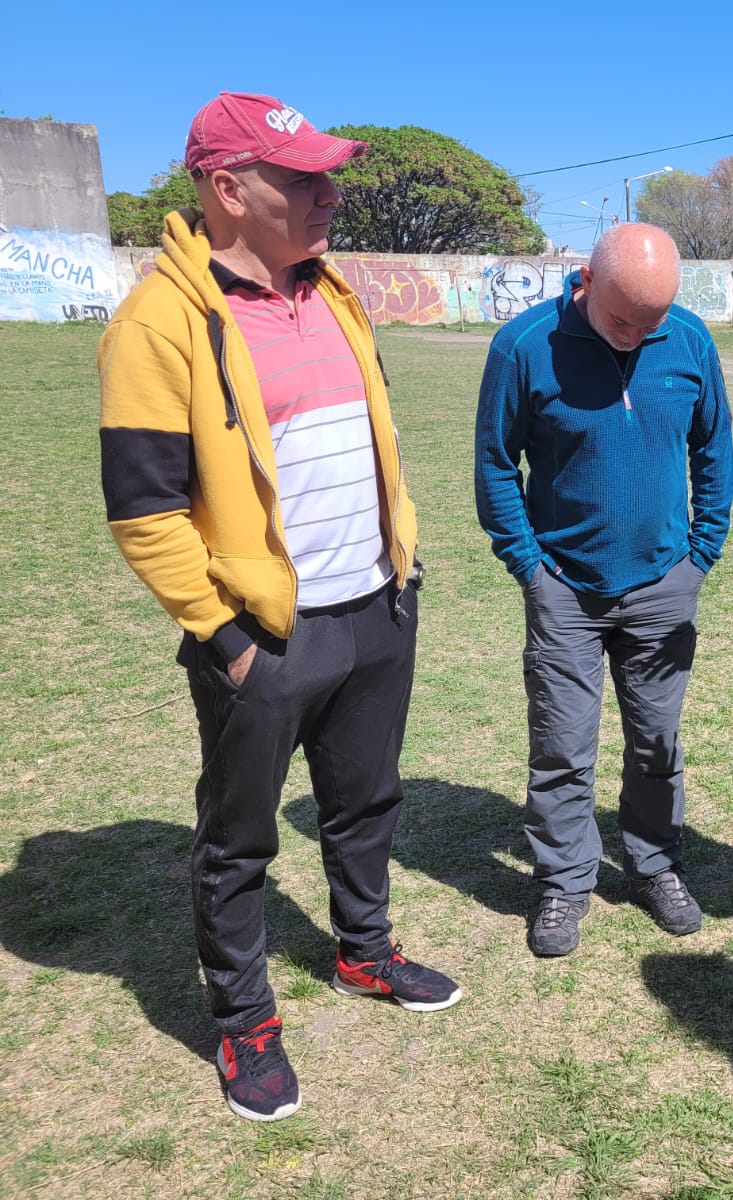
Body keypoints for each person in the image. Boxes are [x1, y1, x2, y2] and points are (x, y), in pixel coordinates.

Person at [98, 92, 461, 1123]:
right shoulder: (158, 324)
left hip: (376, 609)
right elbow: (144, 510)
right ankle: (245, 1022)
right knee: (239, 839)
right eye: (301, 179)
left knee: (366, 806)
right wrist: (225, 638)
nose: (328, 195)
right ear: (227, 189)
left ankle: (365, 951)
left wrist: (404, 569)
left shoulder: (332, 289)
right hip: (264, 637)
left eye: (327, 176)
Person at [475, 223, 733, 958]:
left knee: (657, 741)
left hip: (663, 586)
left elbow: (713, 447)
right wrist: (529, 566)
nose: (634, 337)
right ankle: (564, 881)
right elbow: (496, 465)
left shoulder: (686, 342)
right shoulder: (523, 347)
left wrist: (701, 552)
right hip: (565, 589)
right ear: (584, 281)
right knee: (562, 746)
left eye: (648, 324)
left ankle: (654, 865)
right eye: (622, 320)